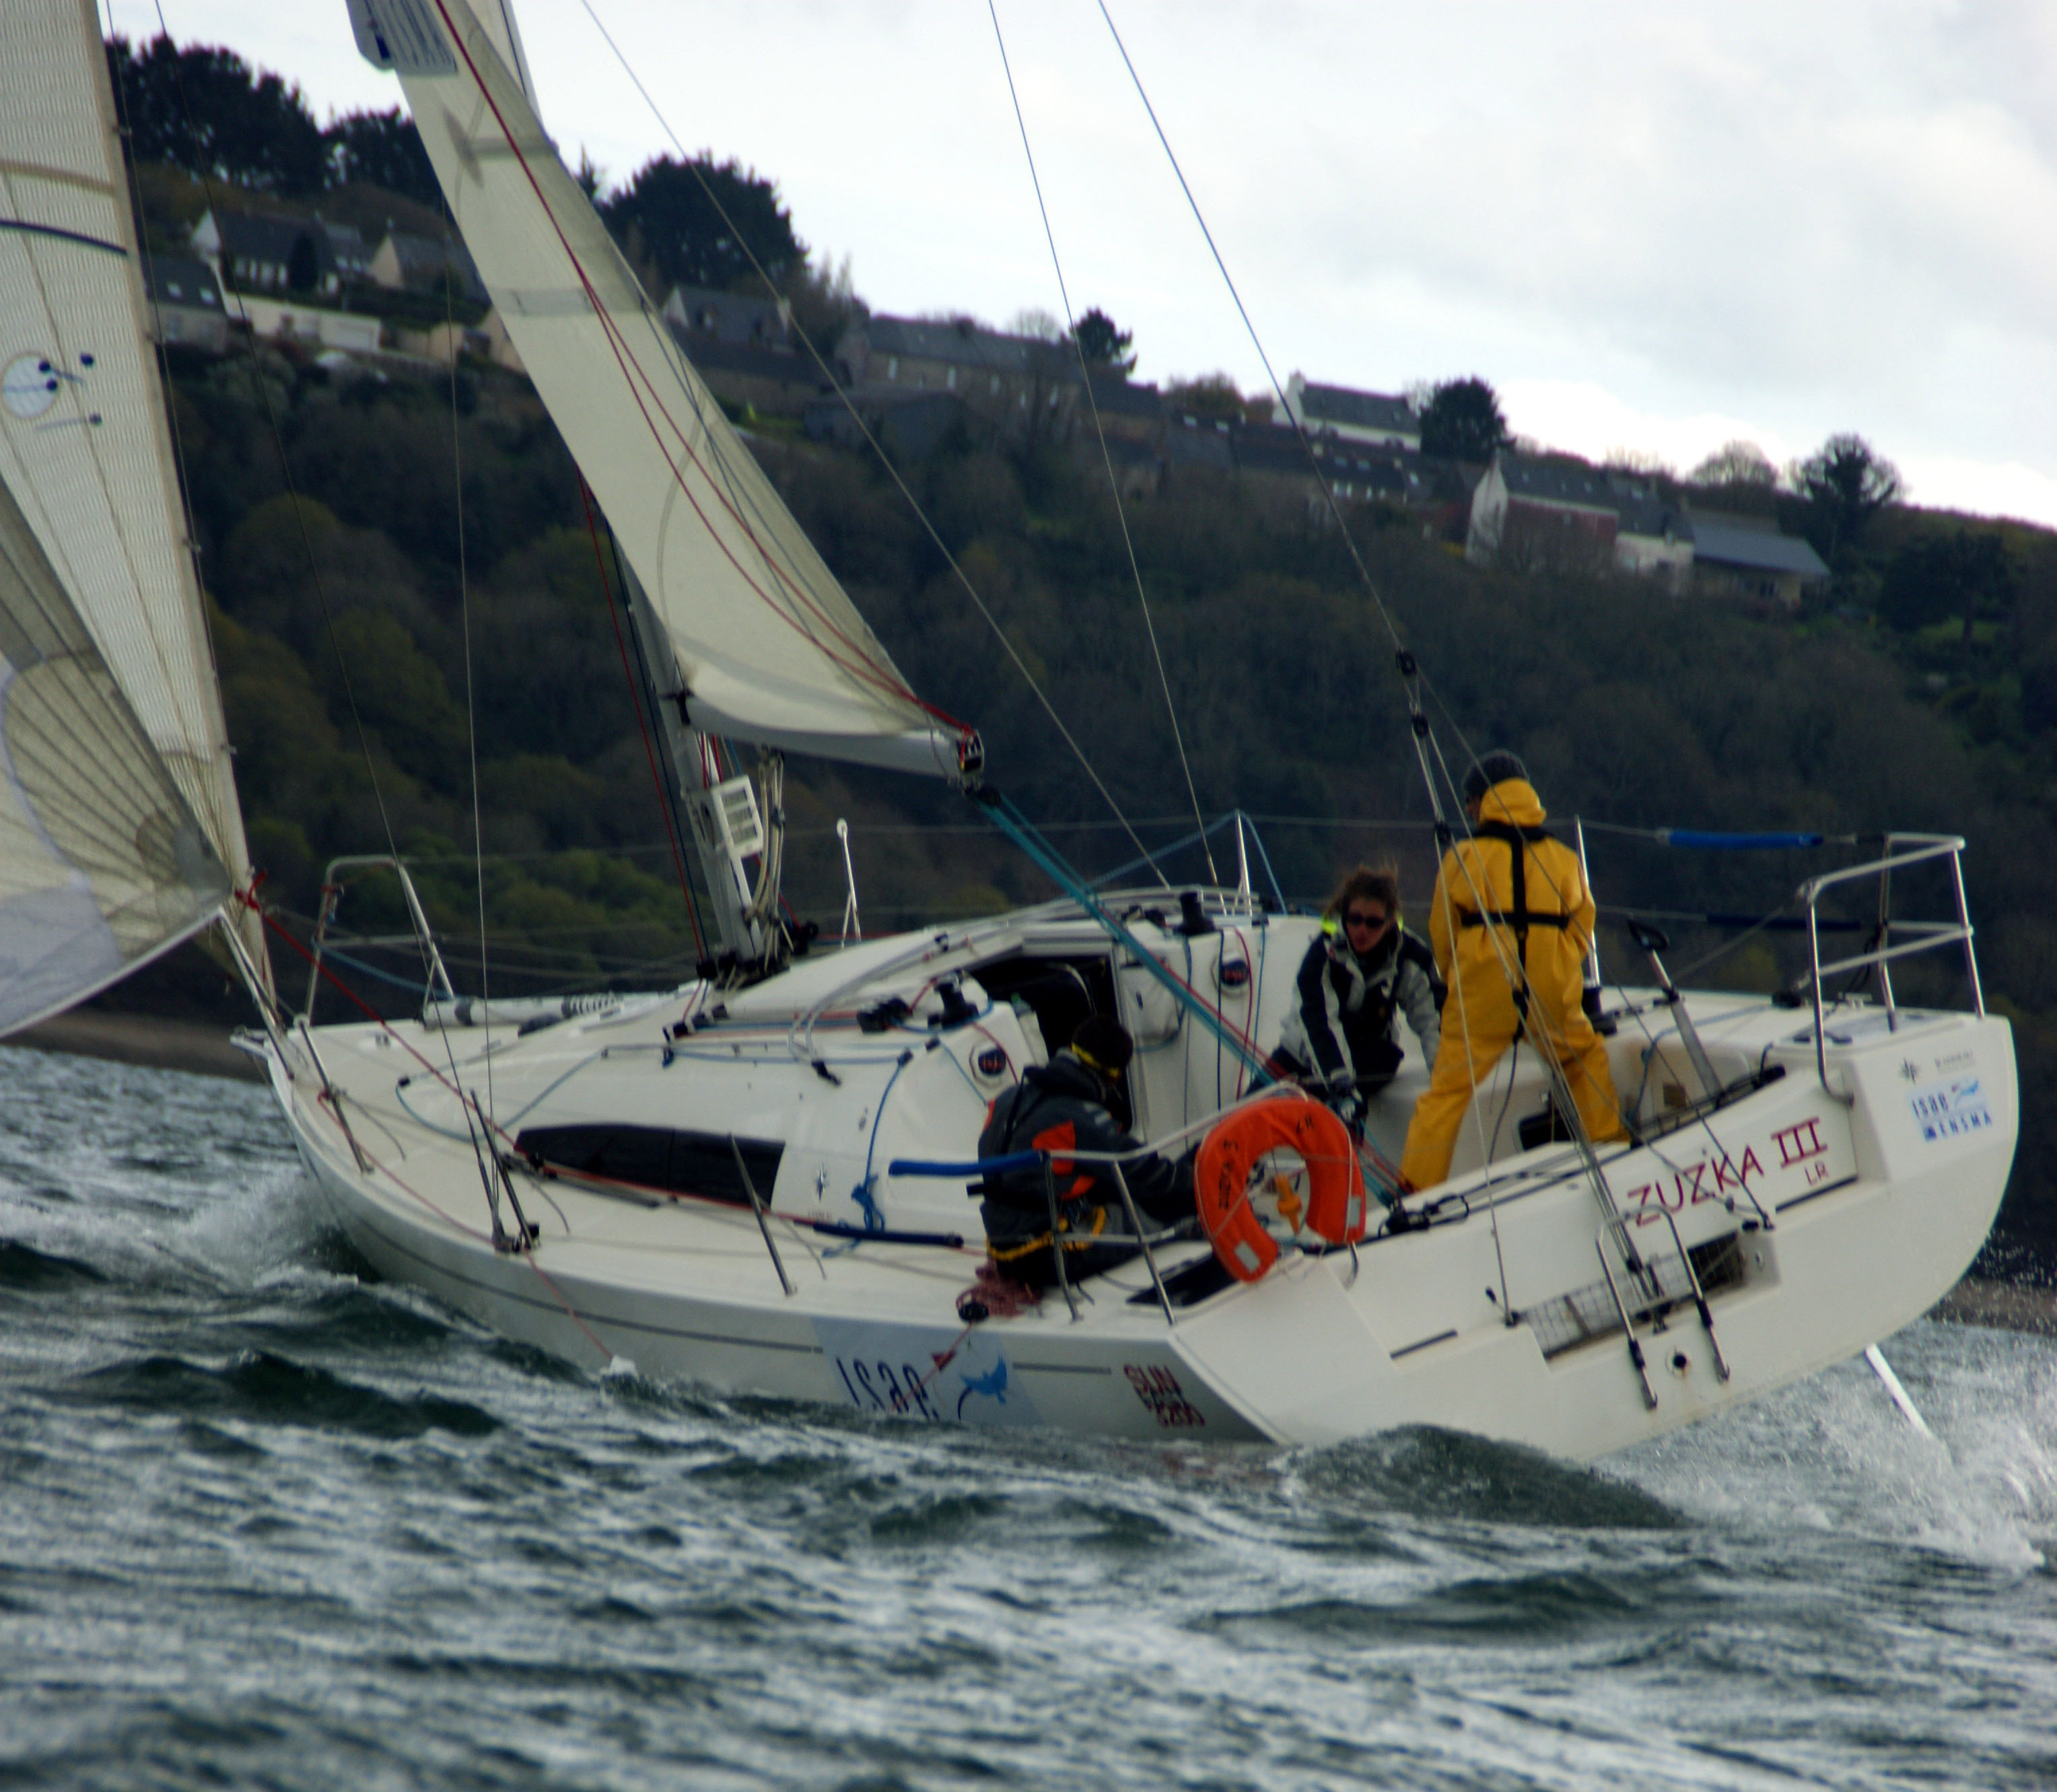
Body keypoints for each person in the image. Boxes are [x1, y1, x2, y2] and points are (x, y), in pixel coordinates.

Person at [1399, 751, 1627, 1190]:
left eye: (1470, 800)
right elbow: (1583, 926)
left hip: (1483, 993)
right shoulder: (1563, 859)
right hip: (1551, 990)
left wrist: (1455, 983)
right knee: (1584, 1060)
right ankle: (1613, 1153)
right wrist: (1559, 963)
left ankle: (1413, 1191)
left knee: (1445, 1097)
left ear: (1482, 800)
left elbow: (1442, 933)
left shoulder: (1462, 857)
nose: (1467, 810)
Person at [975, 1014, 1193, 1288]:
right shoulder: (1082, 1117)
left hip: (1003, 1246)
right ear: (1112, 1076)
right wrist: (1194, 1179)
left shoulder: (1007, 1100)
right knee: (1158, 1213)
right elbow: (1141, 1171)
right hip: (1051, 1256)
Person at [1275, 865, 1443, 1129]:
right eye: (1355, 919)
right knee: (1243, 1115)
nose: (1362, 930)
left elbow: (1433, 1018)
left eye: (1373, 923)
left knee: (1386, 1059)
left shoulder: (1410, 956)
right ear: (1344, 916)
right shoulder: (1322, 956)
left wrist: (1445, 1078)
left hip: (1370, 1058)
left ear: (1389, 923)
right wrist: (1342, 1087)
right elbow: (1320, 1023)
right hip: (1304, 1056)